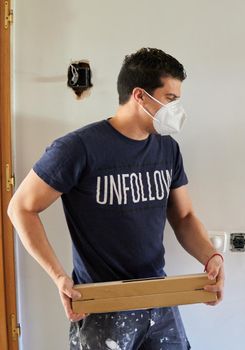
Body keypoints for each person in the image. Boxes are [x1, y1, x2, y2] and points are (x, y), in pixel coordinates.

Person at [7, 47, 224, 350]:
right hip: (101, 304)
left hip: (158, 297)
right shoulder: (78, 148)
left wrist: (210, 256)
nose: (176, 109)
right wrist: (58, 276)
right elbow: (21, 207)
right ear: (140, 96)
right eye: (170, 99)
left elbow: (184, 217)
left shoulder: (167, 149)